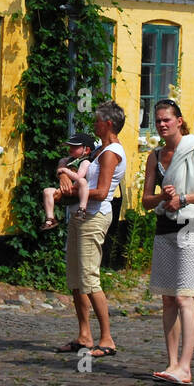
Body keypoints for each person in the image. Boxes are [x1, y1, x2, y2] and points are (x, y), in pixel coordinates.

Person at [142, 99, 194, 386]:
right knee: (167, 298)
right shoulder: (154, 156)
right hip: (164, 228)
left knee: (183, 296)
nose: (162, 124)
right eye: (158, 121)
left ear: (179, 121)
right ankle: (172, 363)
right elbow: (145, 201)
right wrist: (163, 198)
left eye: (167, 119)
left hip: (192, 228)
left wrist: (184, 198)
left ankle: (186, 367)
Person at [55, 101, 126, 359]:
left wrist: (70, 191)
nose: (94, 124)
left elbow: (103, 191)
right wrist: (64, 174)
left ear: (107, 124)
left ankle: (107, 338)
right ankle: (85, 335)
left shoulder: (111, 153)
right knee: (75, 279)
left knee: (89, 278)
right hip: (79, 216)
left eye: (97, 120)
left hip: (94, 218)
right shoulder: (99, 149)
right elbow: (71, 161)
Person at [40, 132, 95, 230]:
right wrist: (61, 170)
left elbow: (78, 177)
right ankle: (50, 218)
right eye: (70, 146)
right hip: (65, 191)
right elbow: (60, 167)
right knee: (47, 191)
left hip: (76, 191)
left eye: (74, 147)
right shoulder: (68, 160)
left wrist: (65, 171)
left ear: (86, 150)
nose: (70, 149)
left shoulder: (85, 162)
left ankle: (82, 209)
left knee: (82, 181)